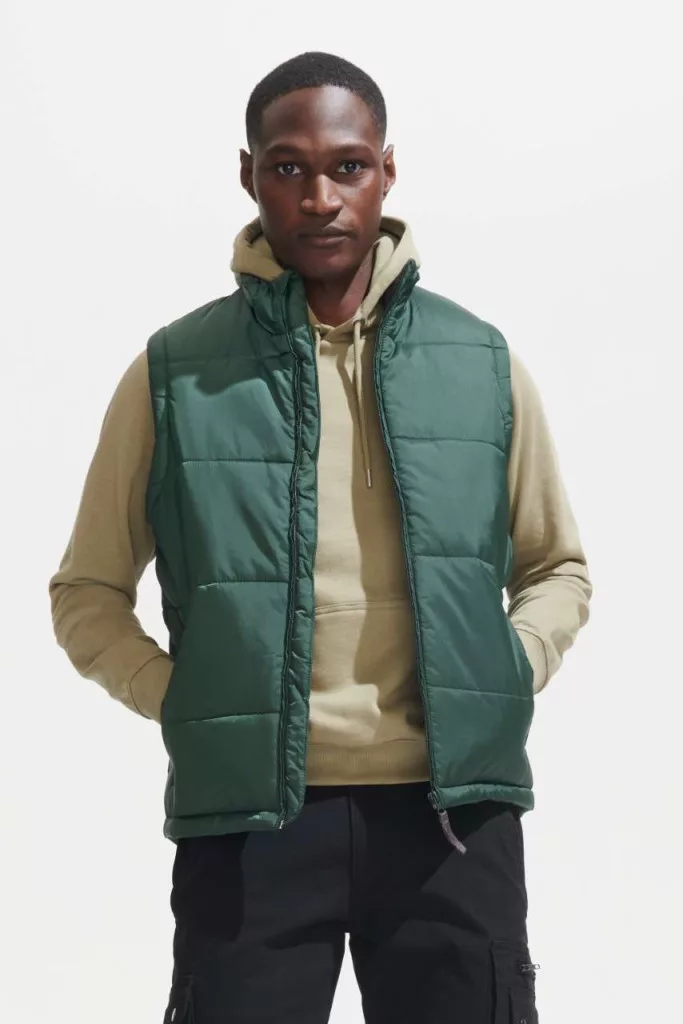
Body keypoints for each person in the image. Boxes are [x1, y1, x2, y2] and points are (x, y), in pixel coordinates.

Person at [49, 50, 592, 1024]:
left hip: (450, 817)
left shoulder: (481, 362)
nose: (318, 197)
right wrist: (188, 700)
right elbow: (86, 591)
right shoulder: (175, 374)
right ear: (248, 176)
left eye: (346, 166)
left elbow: (555, 566)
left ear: (386, 171)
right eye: (287, 167)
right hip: (247, 821)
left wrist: (504, 670)